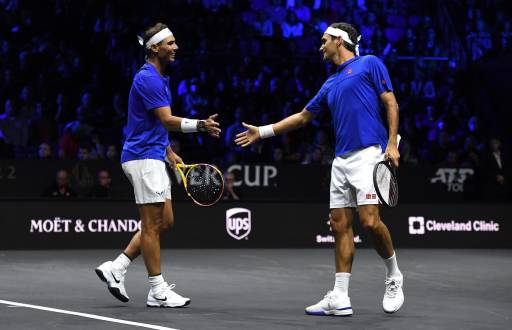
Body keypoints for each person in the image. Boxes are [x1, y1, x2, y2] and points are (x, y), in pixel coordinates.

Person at [235, 22, 404, 316]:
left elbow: (391, 102)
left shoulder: (369, 64)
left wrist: (392, 143)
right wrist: (261, 132)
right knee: (340, 225)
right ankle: (340, 296)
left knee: (369, 223)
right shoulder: (330, 84)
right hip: (340, 161)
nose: (320, 46)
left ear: (339, 40)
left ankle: (393, 275)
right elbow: (302, 118)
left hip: (369, 154)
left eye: (324, 40)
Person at [95, 22, 220, 308]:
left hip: (153, 153)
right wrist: (200, 124)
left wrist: (168, 152)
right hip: (141, 158)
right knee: (151, 225)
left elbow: (150, 124)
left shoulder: (159, 78)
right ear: (155, 48)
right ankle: (157, 291)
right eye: (170, 43)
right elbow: (166, 120)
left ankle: (117, 267)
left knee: (165, 221)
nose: (176, 48)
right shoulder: (148, 78)